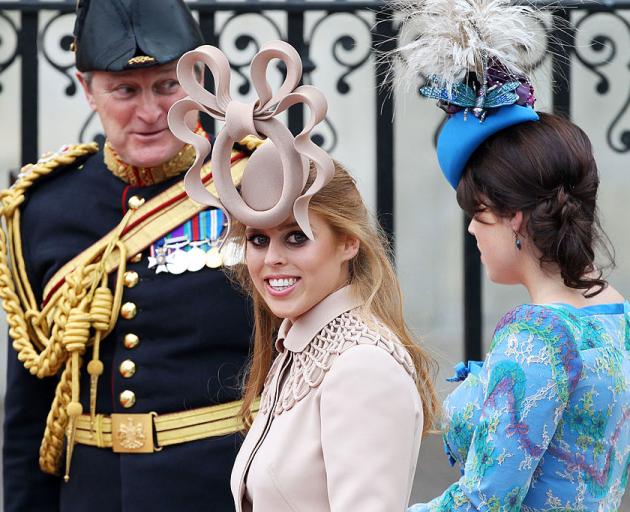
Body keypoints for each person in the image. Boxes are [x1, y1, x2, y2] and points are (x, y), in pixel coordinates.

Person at [1, 1, 258, 510]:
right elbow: (31, 409)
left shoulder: (253, 183)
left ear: (197, 81)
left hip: (220, 489)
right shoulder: (42, 209)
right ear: (86, 89)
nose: (149, 112)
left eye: (167, 85)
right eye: (124, 90)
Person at [168, 40, 439, 511]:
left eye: (296, 237)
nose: (271, 258)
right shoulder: (300, 346)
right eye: (257, 239)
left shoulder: (360, 366)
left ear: (349, 241)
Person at [388, 0, 630, 509]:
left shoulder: (538, 335)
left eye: (479, 213)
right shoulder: (617, 314)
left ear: (514, 217)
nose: (472, 231)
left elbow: (482, 505)